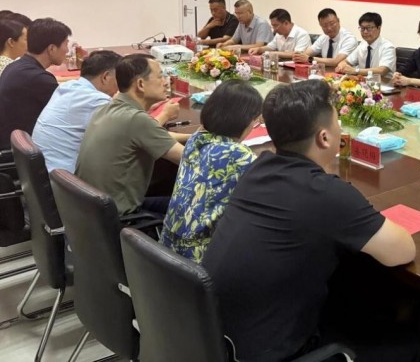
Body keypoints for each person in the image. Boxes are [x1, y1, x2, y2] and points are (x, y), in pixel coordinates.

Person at [203, 80, 417, 362]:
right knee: (407, 347)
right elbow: (402, 251)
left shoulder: (258, 168)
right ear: (324, 138)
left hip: (215, 337)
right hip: (266, 353)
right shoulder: (326, 193)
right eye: (338, 122)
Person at [160, 80, 262, 262]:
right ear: (246, 121)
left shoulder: (197, 139)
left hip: (165, 250)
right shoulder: (239, 155)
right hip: (199, 259)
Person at [76, 54, 189, 215]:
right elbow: (190, 160)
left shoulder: (106, 108)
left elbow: (155, 136)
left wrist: (193, 136)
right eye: (160, 77)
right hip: (120, 216)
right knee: (196, 206)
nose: (166, 82)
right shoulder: (136, 120)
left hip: (91, 213)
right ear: (141, 84)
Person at [32, 50, 122, 173]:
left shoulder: (66, 87)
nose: (119, 87)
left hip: (48, 173)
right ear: (106, 77)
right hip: (67, 179)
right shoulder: (97, 100)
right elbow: (129, 134)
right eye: (119, 80)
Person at [0, 17, 71, 149]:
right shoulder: (38, 78)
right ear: (51, 48)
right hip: (18, 151)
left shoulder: (16, 66)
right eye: (66, 44)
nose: (67, 50)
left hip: (15, 145)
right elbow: (68, 113)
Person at [336, 12, 396, 78]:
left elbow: (382, 71)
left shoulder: (388, 47)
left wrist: (355, 71)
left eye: (369, 28)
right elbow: (346, 61)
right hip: (363, 82)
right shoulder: (363, 44)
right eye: (362, 28)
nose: (365, 32)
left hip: (383, 83)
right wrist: (342, 66)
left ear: (379, 28)